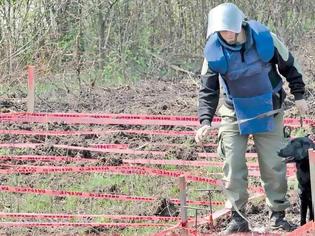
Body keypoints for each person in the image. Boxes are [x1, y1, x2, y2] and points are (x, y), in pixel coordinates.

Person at [195, 2, 308, 234]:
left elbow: (290, 65)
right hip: (234, 111)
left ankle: (278, 214)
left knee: (273, 162)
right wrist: (205, 121)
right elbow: (208, 89)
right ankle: (237, 217)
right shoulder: (214, 51)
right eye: (220, 32)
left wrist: (299, 94)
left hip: (269, 107)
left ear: (239, 26)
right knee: (233, 163)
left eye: (227, 30)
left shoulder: (265, 39)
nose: (224, 36)